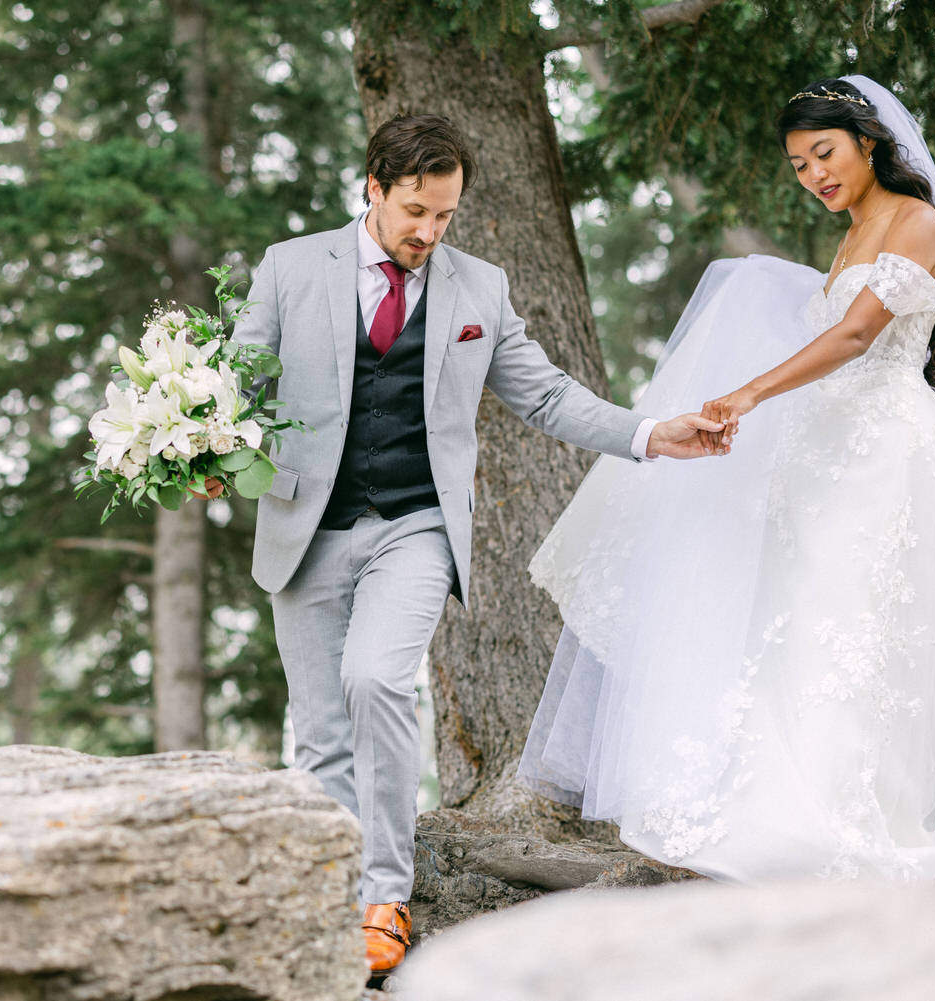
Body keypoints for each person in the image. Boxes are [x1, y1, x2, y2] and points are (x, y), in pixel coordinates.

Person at [226, 113, 725, 981]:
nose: (428, 231)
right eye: (415, 210)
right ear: (374, 188)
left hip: (415, 525)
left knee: (377, 677)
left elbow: (548, 395)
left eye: (445, 215)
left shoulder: (478, 290)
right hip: (303, 521)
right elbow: (238, 380)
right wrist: (199, 447)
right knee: (320, 732)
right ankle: (326, 896)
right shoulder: (290, 266)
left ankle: (384, 897)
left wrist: (650, 433)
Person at [520, 76, 935, 883]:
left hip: (889, 457)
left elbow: (854, 336)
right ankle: (786, 810)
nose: (814, 174)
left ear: (869, 143)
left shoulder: (916, 221)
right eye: (798, 164)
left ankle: (856, 825)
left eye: (825, 153)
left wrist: (748, 390)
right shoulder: (848, 239)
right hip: (831, 455)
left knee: (861, 628)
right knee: (805, 622)